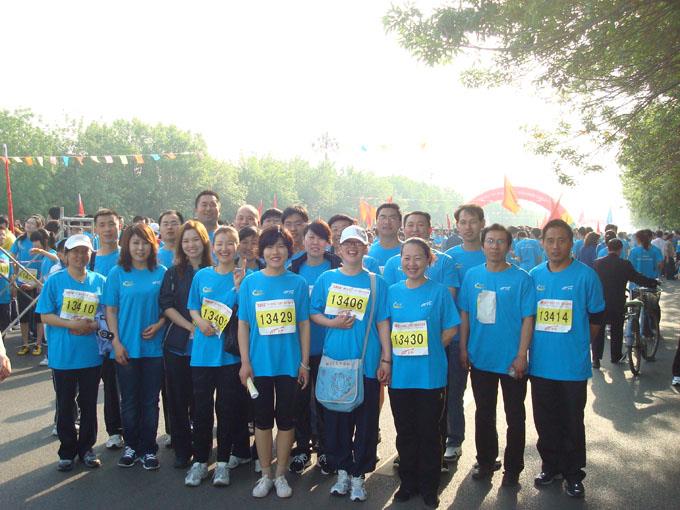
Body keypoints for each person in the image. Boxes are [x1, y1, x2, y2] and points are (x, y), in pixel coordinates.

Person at [310, 225, 391, 502]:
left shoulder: (376, 283)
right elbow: (313, 312)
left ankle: (359, 476)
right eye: (347, 244)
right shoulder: (327, 279)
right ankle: (342, 472)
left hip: (367, 362)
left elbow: (382, 322)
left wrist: (386, 358)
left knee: (366, 422)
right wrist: (332, 322)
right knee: (336, 421)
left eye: (358, 244)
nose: (352, 248)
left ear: (365, 248)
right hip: (335, 362)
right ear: (339, 248)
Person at [529, 219, 605, 499]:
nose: (555, 246)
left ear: (571, 243)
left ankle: (573, 474)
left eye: (561, 240)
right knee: (545, 420)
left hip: (572, 366)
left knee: (572, 422)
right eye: (550, 240)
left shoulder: (586, 276)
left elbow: (596, 317)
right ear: (542, 243)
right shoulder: (534, 276)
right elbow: (527, 318)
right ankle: (550, 466)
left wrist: (578, 342)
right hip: (540, 365)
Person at [458, 224, 535, 487]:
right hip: (481, 358)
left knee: (515, 416)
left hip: (512, 361)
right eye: (490, 241)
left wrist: (522, 354)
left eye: (500, 241)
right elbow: (465, 313)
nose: (495, 246)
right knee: (484, 413)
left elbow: (528, 319)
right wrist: (463, 347)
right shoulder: (472, 275)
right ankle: (486, 460)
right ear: (483, 246)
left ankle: (513, 468)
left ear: (509, 247)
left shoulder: (521, 278)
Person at [237, 226, 310, 499]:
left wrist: (304, 363)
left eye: (281, 246)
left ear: (289, 251)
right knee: (262, 420)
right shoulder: (250, 283)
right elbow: (243, 325)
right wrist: (245, 362)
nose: (275, 252)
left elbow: (304, 325)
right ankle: (265, 473)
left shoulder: (298, 284)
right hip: (259, 365)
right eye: (269, 246)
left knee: (287, 420)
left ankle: (281, 473)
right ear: (261, 251)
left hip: (289, 365)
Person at [388, 238, 458, 508]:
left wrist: (431, 347)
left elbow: (451, 327)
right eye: (407, 258)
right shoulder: (392, 292)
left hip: (430, 376)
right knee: (405, 431)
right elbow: (385, 329)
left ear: (429, 260)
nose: (412, 263)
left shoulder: (439, 292)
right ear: (400, 261)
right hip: (400, 377)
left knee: (429, 432)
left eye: (418, 258)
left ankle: (430, 486)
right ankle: (408, 483)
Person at [184, 226, 251, 487]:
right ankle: (200, 461)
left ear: (237, 247)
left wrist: (239, 288)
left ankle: (222, 463)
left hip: (230, 357)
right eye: (219, 244)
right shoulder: (201, 276)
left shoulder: (246, 277)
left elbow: (247, 313)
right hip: (202, 355)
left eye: (229, 243)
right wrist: (200, 322)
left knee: (227, 410)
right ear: (213, 248)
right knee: (201, 411)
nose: (224, 248)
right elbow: (193, 306)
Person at [36, 234, 106, 471]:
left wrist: (92, 325)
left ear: (90, 254)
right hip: (63, 356)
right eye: (75, 252)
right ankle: (67, 451)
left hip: (91, 355)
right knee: (65, 405)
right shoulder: (54, 281)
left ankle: (87, 449)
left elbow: (108, 315)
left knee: (89, 404)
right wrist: (71, 324)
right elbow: (45, 315)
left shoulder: (100, 281)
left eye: (85, 251)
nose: (80, 256)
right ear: (65, 255)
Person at [104, 223, 167, 471]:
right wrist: (116, 342)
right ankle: (131, 446)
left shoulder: (161, 272)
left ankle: (149, 449)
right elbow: (110, 310)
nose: (140, 248)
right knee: (129, 401)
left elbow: (168, 308)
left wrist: (159, 324)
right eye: (135, 243)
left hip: (154, 349)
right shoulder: (117, 273)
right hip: (125, 349)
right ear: (126, 246)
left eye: (145, 243)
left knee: (150, 401)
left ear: (153, 245)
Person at [288, 220, 342, 475]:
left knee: (324, 402)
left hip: (328, 347)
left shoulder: (336, 267)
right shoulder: (293, 266)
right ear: (304, 239)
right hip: (297, 348)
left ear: (328, 242)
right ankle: (301, 449)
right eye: (311, 237)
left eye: (321, 238)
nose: (315, 242)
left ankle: (324, 451)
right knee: (299, 402)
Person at [159, 220, 212, 469]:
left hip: (208, 348)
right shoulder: (173, 273)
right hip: (178, 346)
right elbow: (166, 305)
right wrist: (192, 327)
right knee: (178, 400)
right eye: (186, 240)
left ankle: (203, 449)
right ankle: (182, 449)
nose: (191, 245)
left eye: (195, 239)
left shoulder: (214, 270)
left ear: (204, 241)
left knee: (203, 403)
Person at [443, 204, 487, 463]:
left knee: (485, 400)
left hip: (485, 339)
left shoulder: (493, 253)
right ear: (457, 226)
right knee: (453, 393)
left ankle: (486, 454)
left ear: (482, 223)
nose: (468, 227)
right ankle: (454, 440)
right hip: (455, 338)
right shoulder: (448, 258)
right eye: (463, 222)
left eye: (473, 221)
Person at [592, 239, 658, 367]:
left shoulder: (597, 263)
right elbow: (637, 278)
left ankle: (596, 359)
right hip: (617, 302)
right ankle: (615, 356)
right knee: (617, 329)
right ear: (620, 249)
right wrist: (652, 282)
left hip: (599, 302)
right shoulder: (624, 264)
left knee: (599, 331)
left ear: (608, 248)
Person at [91, 209, 124, 450]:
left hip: (124, 328)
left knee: (127, 383)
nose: (107, 229)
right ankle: (114, 431)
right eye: (102, 225)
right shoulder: (89, 258)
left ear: (119, 226)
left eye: (111, 224)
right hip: (95, 332)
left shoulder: (128, 256)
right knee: (108, 385)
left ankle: (133, 431)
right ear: (95, 229)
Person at [382, 211, 459, 295]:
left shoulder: (445, 261)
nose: (415, 229)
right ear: (403, 230)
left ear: (430, 230)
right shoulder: (392, 263)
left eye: (421, 225)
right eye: (410, 225)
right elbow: (387, 296)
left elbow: (448, 297)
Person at [12, 215, 45, 356]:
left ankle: (38, 344)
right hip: (22, 281)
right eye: (27, 222)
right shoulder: (19, 240)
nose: (28, 225)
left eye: (32, 223)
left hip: (38, 282)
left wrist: (38, 282)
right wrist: (14, 275)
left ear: (38, 226)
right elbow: (12, 257)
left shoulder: (42, 240)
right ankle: (25, 344)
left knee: (39, 315)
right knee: (24, 315)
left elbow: (47, 260)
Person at [367, 203, 403, 272]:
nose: (387, 222)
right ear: (376, 222)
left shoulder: (410, 252)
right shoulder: (367, 252)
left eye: (392, 218)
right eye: (383, 217)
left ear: (400, 223)